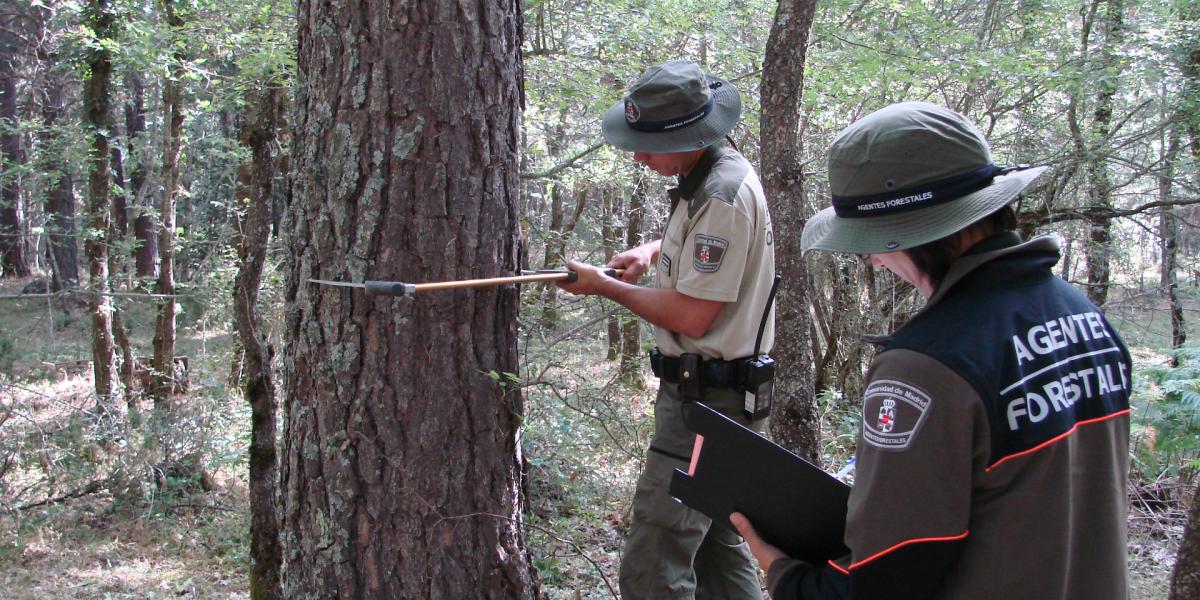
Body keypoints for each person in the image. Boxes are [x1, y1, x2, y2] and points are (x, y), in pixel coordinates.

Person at [729, 101, 1132, 599]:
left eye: (873, 239)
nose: (871, 257)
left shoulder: (923, 368)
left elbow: (886, 580)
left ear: (921, 230)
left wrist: (786, 576)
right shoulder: (1086, 319)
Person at [556, 59, 776, 599]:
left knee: (655, 560)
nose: (639, 156)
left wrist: (604, 286)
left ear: (689, 134)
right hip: (719, 398)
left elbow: (692, 315)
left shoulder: (721, 195)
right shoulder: (706, 178)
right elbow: (703, 254)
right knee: (718, 552)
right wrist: (649, 251)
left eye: (649, 144)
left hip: (708, 408)